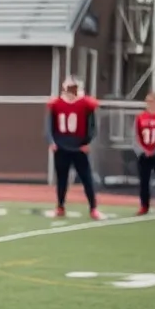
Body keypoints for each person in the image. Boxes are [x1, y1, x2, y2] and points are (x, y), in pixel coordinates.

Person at [46, 76, 102, 220]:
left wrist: (87, 142)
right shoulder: (57, 104)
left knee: (86, 178)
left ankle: (93, 208)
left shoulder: (85, 103)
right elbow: (50, 125)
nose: (71, 91)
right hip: (62, 145)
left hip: (78, 147)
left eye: (73, 88)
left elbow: (92, 125)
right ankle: (60, 206)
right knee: (62, 179)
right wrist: (52, 141)